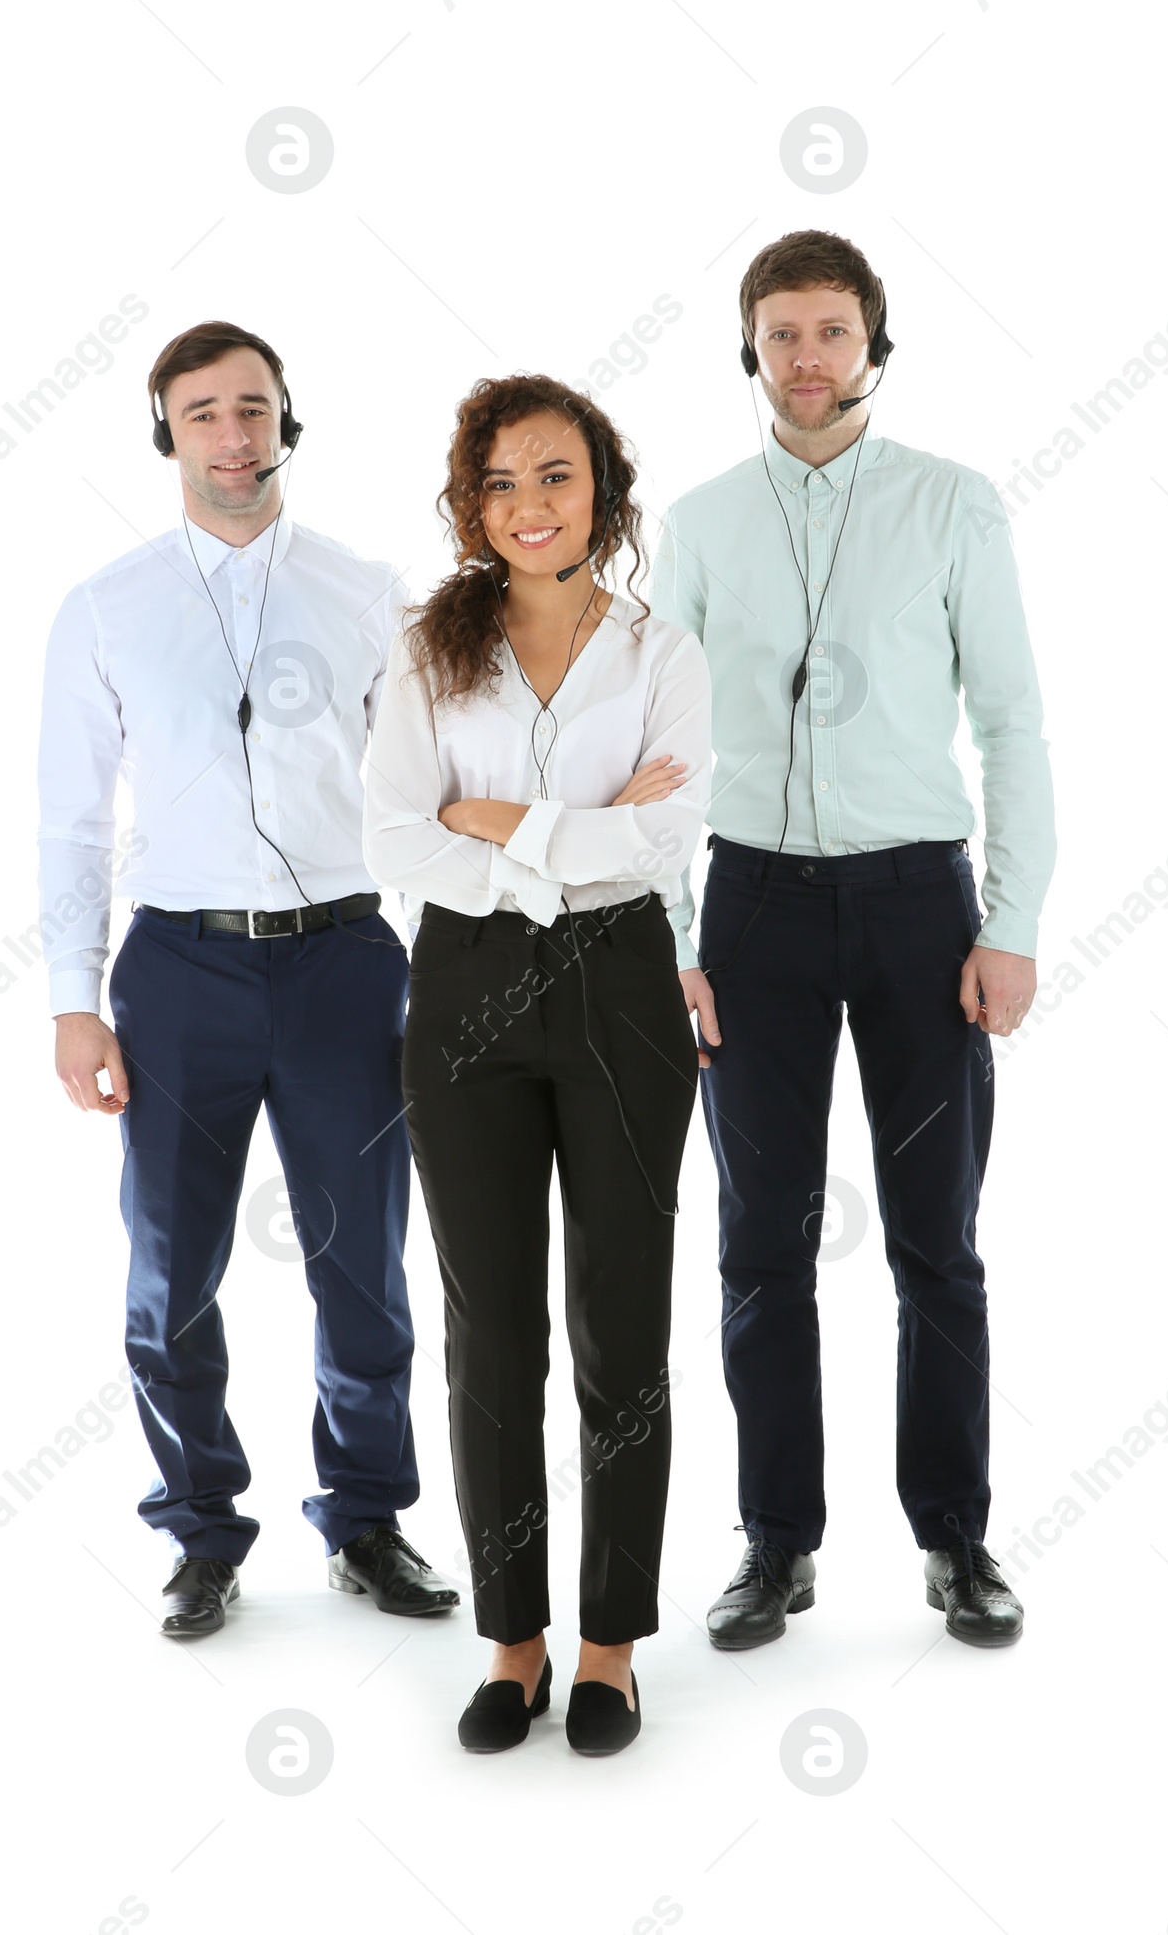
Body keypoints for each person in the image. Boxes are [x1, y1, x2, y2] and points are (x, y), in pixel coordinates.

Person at [654, 230, 1055, 1651]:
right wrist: (672, 934)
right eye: (782, 334)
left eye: (832, 331)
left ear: (876, 343)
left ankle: (956, 1537)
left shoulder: (955, 507)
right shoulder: (699, 521)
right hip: (749, 905)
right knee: (759, 1241)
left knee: (935, 1240)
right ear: (750, 351)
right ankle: (776, 1541)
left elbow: (1010, 722)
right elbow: (662, 751)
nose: (807, 358)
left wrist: (1008, 924)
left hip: (914, 905)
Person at [36, 319, 458, 1638]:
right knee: (170, 1270)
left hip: (342, 958)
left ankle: (369, 1515)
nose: (234, 433)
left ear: (289, 421)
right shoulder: (106, 605)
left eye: (255, 408)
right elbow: (71, 816)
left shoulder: (368, 589)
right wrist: (73, 996)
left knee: (366, 1261)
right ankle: (203, 1525)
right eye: (205, 411)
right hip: (180, 968)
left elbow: (431, 789)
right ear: (168, 431)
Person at [363, 376, 711, 1753]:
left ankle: (611, 1643)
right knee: (490, 1326)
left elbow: (671, 836)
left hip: (626, 984)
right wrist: (570, 833)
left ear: (602, 492)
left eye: (555, 476)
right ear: (471, 503)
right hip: (467, 996)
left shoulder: (662, 650)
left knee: (623, 1328)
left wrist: (500, 821)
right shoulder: (427, 650)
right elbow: (396, 840)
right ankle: (513, 1638)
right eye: (502, 482)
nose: (529, 505)